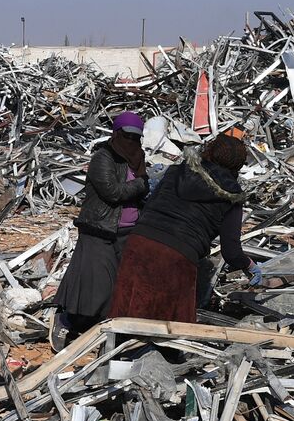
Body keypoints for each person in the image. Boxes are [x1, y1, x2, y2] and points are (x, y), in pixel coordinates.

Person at [110, 134, 261, 324]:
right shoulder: (233, 196)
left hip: (141, 242)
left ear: (210, 152)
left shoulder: (178, 171)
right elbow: (230, 251)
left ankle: (116, 351)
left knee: (125, 311)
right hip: (178, 255)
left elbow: (148, 206)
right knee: (167, 324)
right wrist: (249, 265)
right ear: (238, 166)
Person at [51, 112, 151, 348]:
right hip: (100, 229)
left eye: (136, 137)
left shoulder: (138, 157)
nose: (132, 141)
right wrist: (142, 185)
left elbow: (139, 189)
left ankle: (104, 332)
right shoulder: (103, 158)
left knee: (119, 288)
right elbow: (112, 192)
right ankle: (67, 320)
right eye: (127, 136)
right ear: (117, 134)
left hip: (127, 233)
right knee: (96, 287)